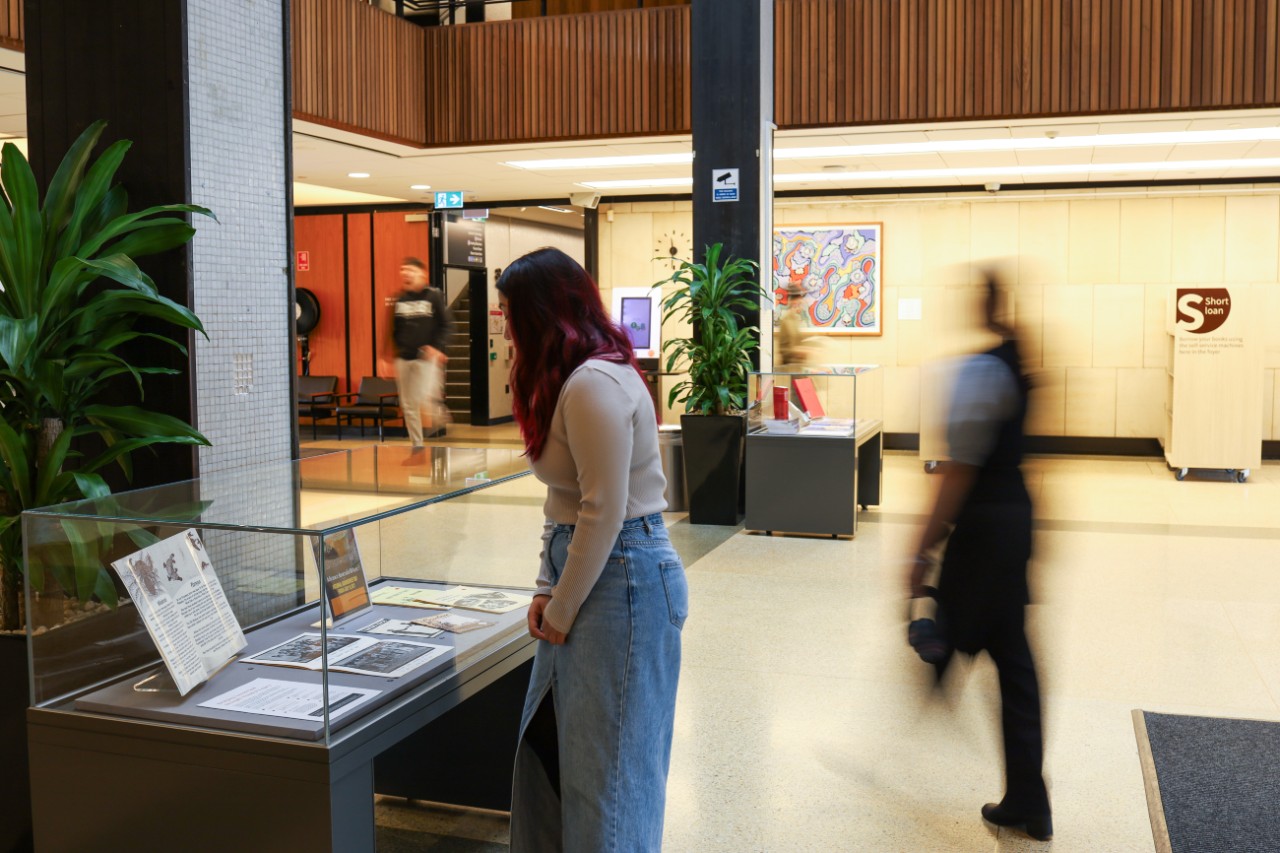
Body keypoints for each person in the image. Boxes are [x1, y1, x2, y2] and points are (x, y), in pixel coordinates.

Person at [498, 247, 687, 853]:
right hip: (591, 575)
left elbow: (603, 513)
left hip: (622, 580)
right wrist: (545, 585)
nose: (502, 325)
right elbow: (566, 501)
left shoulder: (594, 384)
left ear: (541, 314)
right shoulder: (572, 380)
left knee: (609, 775)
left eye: (509, 313)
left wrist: (560, 604)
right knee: (556, 753)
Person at [907, 275, 1051, 841]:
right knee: (1014, 658)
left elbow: (958, 471)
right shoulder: (1022, 363)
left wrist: (919, 548)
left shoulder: (981, 371)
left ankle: (938, 658)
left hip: (983, 527)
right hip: (1016, 520)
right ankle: (1027, 799)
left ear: (983, 305)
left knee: (955, 625)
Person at [381, 257, 451, 450]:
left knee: (423, 397)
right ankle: (417, 444)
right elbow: (392, 331)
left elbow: (446, 325)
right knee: (408, 405)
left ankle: (437, 409)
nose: (405, 274)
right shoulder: (400, 300)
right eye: (403, 271)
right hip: (403, 358)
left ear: (422, 274)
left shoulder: (433, 296)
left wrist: (436, 347)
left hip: (425, 357)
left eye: (410, 270)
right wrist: (386, 357)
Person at [775, 282, 817, 370]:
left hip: (797, 367)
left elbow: (797, 343)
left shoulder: (794, 319)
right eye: (799, 300)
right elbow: (786, 350)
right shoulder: (786, 320)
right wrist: (806, 351)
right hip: (789, 368)